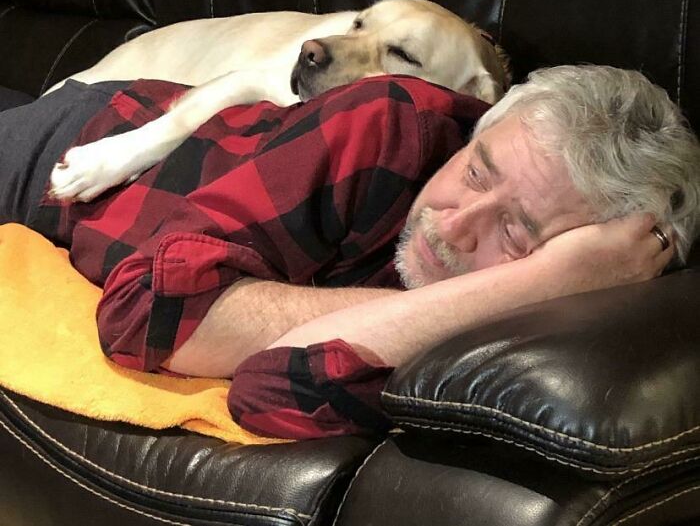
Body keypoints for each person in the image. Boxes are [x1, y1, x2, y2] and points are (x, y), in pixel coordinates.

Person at [2, 65, 699, 439]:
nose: (454, 225)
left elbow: (272, 388)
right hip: (73, 148)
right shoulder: (392, 121)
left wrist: (538, 285)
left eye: (517, 232)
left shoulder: (540, 305)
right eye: (478, 170)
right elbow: (145, 311)